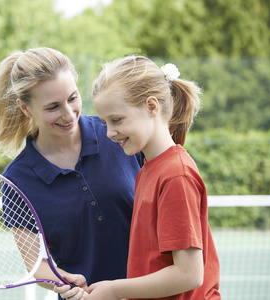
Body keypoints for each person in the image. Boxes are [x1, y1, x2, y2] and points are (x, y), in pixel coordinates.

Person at [0, 47, 144, 298]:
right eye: (53, 107)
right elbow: (37, 265)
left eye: (72, 98)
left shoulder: (117, 134)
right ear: (25, 108)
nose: (68, 114)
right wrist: (63, 281)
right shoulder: (17, 180)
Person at [58, 55, 220, 300]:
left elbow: (189, 274)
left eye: (117, 120)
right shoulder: (147, 169)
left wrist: (114, 289)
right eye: (104, 122)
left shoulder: (176, 175)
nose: (110, 133)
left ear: (152, 106)